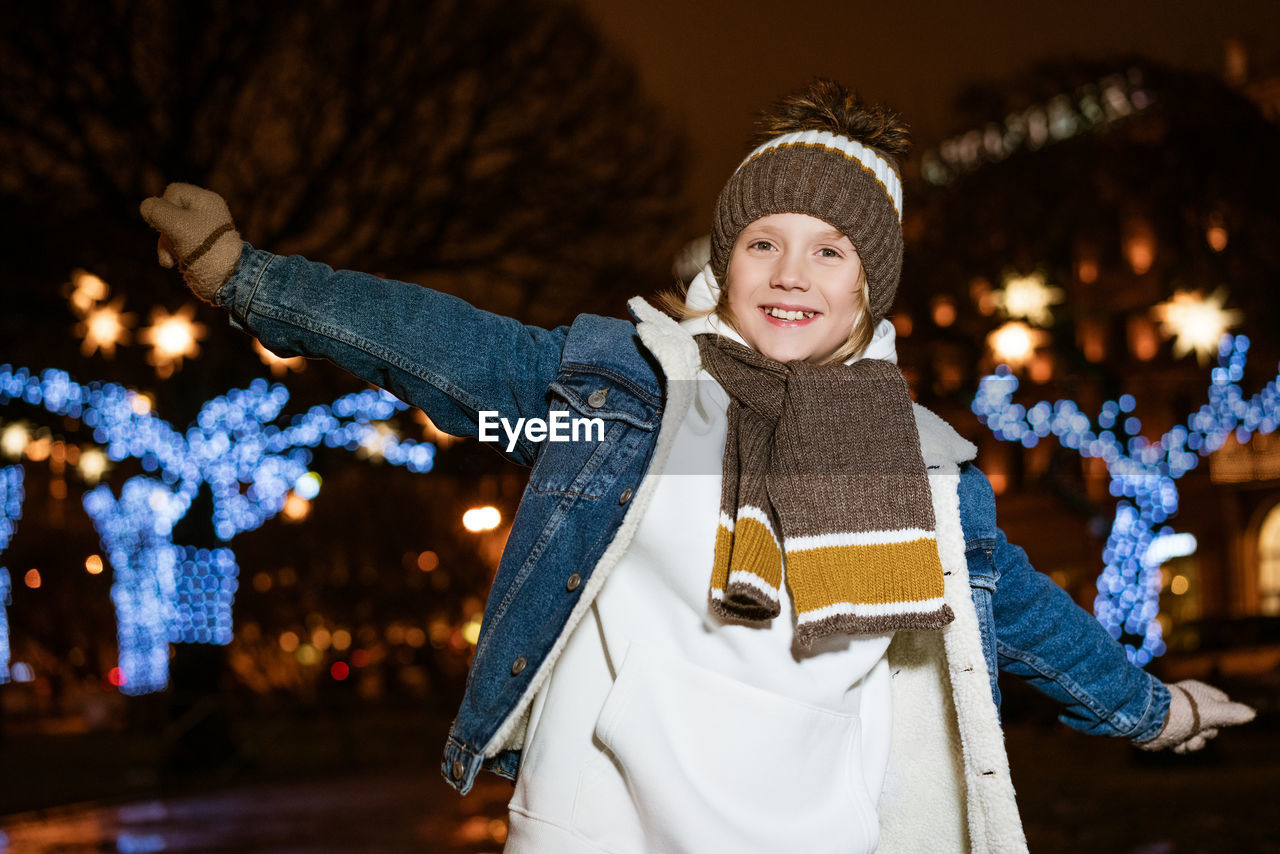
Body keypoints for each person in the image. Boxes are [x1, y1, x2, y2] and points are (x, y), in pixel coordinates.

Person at [141, 79, 1254, 854]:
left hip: (822, 831)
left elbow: (1015, 607)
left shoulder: (917, 466)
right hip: (605, 824)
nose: (791, 271)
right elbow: (450, 348)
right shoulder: (625, 403)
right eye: (763, 239)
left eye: (832, 251)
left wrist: (1150, 710)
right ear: (724, 260)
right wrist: (247, 275)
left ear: (873, 289)